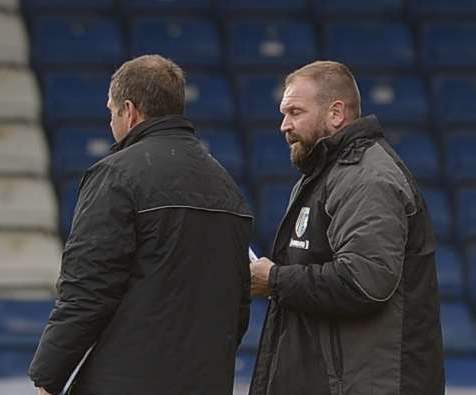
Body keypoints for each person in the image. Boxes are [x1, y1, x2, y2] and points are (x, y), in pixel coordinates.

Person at [29, 55, 253, 395]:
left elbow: (87, 290)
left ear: (129, 111)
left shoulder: (116, 175)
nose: (111, 122)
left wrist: (47, 377)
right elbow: (237, 305)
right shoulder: (227, 186)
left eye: (111, 112)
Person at [249, 61, 444, 395]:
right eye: (284, 113)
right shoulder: (324, 175)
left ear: (336, 113)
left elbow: (365, 282)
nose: (284, 125)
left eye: (295, 112)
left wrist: (274, 279)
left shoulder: (367, 177)